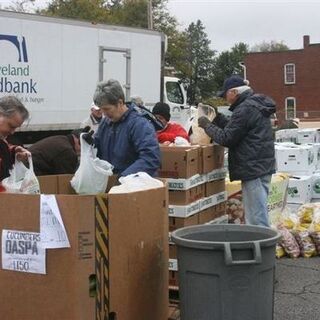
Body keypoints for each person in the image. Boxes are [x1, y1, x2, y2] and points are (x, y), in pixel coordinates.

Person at [198, 75, 276, 227]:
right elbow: (238, 129)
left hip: (253, 167)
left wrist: (207, 125)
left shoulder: (244, 108)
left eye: (225, 94)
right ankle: (261, 246)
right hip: (261, 165)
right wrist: (218, 118)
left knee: (255, 218)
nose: (225, 98)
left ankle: (261, 248)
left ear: (233, 92)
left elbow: (227, 138)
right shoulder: (253, 104)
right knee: (258, 211)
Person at [91, 79, 160, 177]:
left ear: (119, 103)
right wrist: (89, 143)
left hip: (135, 186)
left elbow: (150, 158)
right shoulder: (105, 123)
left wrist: (124, 177)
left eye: (107, 109)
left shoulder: (140, 125)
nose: (104, 113)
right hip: (113, 183)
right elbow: (97, 150)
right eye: (101, 109)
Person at [0, 96, 30, 182]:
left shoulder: (3, 142)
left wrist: (14, 152)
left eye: (15, 128)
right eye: (11, 126)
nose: (12, 132)